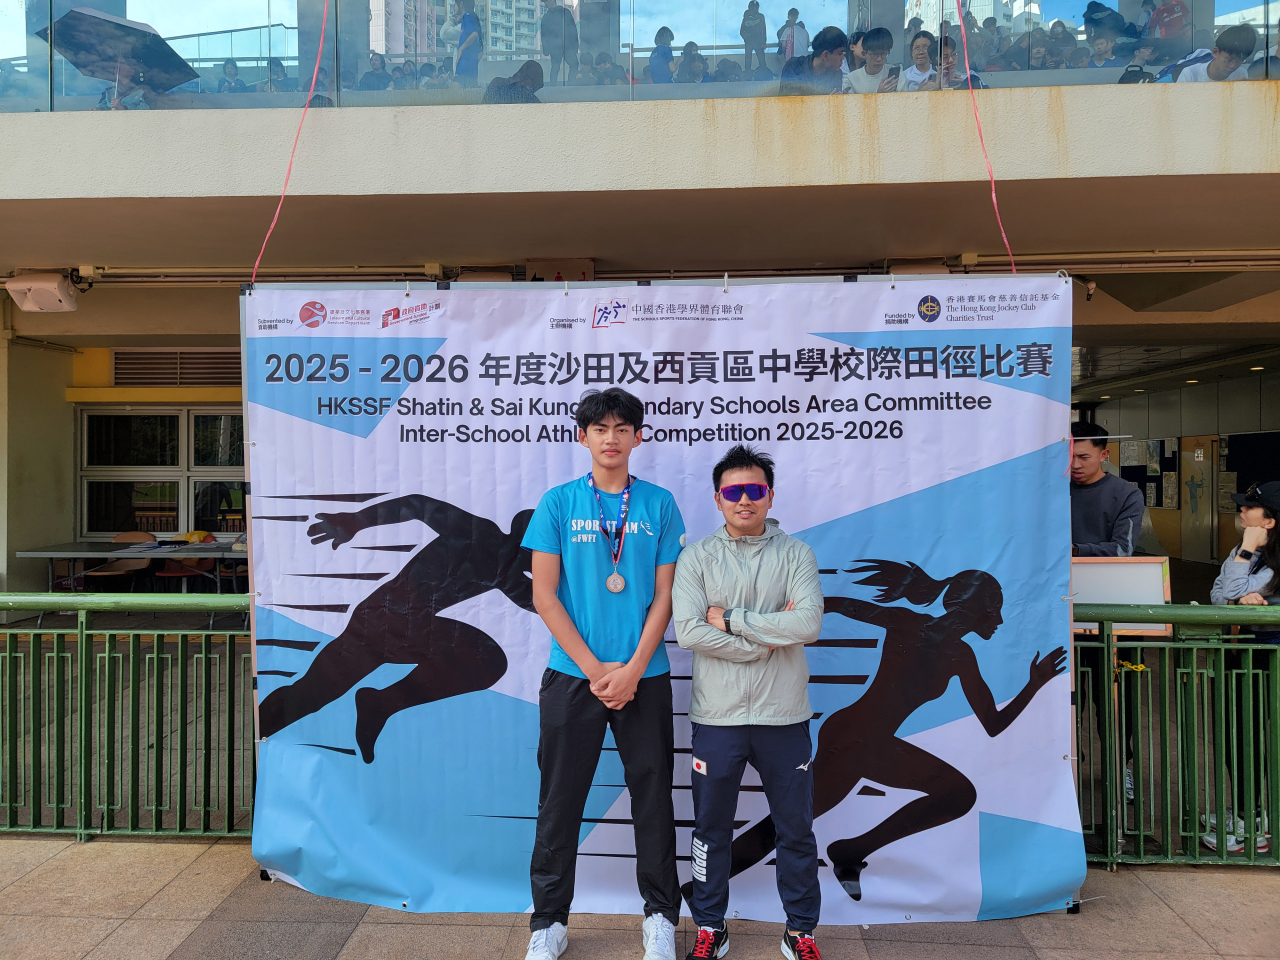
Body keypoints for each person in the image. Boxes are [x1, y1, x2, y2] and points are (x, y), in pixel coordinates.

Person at [727, 559, 1066, 901]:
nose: (1000, 620)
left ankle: (851, 851)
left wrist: (1034, 685)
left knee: (958, 794)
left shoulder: (961, 656)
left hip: (874, 744)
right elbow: (838, 604)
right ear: (975, 609)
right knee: (787, 823)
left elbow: (993, 725)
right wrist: (776, 626)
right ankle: (708, 887)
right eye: (995, 610)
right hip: (852, 738)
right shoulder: (909, 624)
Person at [521, 387, 685, 960]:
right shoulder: (558, 503)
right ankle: (548, 922)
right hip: (573, 676)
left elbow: (665, 596)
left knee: (653, 798)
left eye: (621, 428)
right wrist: (596, 671)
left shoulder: (659, 504)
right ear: (583, 436)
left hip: (646, 674)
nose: (610, 438)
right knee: (559, 801)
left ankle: (660, 917)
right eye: (599, 428)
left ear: (638, 437)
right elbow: (544, 596)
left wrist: (634, 668)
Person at [672, 446, 823, 960]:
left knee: (796, 829)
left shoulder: (797, 554)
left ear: (770, 496)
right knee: (710, 830)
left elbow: (808, 624)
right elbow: (690, 632)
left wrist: (732, 620)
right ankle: (710, 926)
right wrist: (766, 642)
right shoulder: (696, 558)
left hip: (785, 716)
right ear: (718, 499)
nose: (744, 500)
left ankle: (800, 931)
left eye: (754, 490)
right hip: (718, 717)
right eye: (733, 491)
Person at [257, 497, 537, 762]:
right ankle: (377, 703)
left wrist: (356, 521)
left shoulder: (507, 571)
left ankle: (381, 703)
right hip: (385, 621)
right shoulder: (480, 535)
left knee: (486, 658)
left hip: (403, 626)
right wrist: (356, 520)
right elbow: (418, 504)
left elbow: (542, 603)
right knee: (312, 693)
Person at [1165, 24, 1256, 81]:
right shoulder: (1191, 74)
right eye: (1229, 60)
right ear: (1215, 52)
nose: (1233, 66)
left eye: (1239, 61)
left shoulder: (1241, 74)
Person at [780, 24, 848, 94]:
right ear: (825, 55)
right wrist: (826, 100)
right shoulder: (794, 67)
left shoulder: (836, 73)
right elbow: (790, 99)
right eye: (840, 53)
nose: (843, 58)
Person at [842, 26, 903, 92]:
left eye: (883, 54)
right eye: (874, 54)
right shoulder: (851, 80)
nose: (879, 59)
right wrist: (879, 95)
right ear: (864, 54)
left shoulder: (896, 75)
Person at [922, 35, 989, 88]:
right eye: (945, 57)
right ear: (935, 62)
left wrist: (967, 85)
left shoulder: (970, 77)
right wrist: (937, 87)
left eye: (953, 54)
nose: (951, 60)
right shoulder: (928, 83)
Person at [540, 0, 579, 85]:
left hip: (566, 46)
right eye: (545, 2)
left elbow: (572, 30)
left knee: (572, 65)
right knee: (556, 67)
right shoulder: (547, 17)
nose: (546, 4)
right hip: (557, 47)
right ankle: (555, 87)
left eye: (547, 1)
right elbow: (544, 35)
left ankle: (570, 84)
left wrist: (575, 46)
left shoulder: (564, 13)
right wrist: (546, 49)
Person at [454, 0, 482, 87]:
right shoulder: (470, 17)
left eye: (455, 4)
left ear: (461, 3)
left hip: (464, 65)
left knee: (455, 86)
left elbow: (475, 34)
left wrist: (461, 49)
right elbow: (481, 49)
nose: (454, 7)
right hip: (470, 66)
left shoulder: (467, 16)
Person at [741, 0, 769, 75]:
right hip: (749, 42)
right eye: (753, 7)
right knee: (748, 60)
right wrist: (747, 39)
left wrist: (764, 42)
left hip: (759, 42)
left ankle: (764, 74)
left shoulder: (761, 16)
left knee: (762, 60)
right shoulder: (746, 17)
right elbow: (742, 31)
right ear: (750, 7)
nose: (755, 9)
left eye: (756, 7)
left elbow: (764, 30)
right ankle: (748, 75)